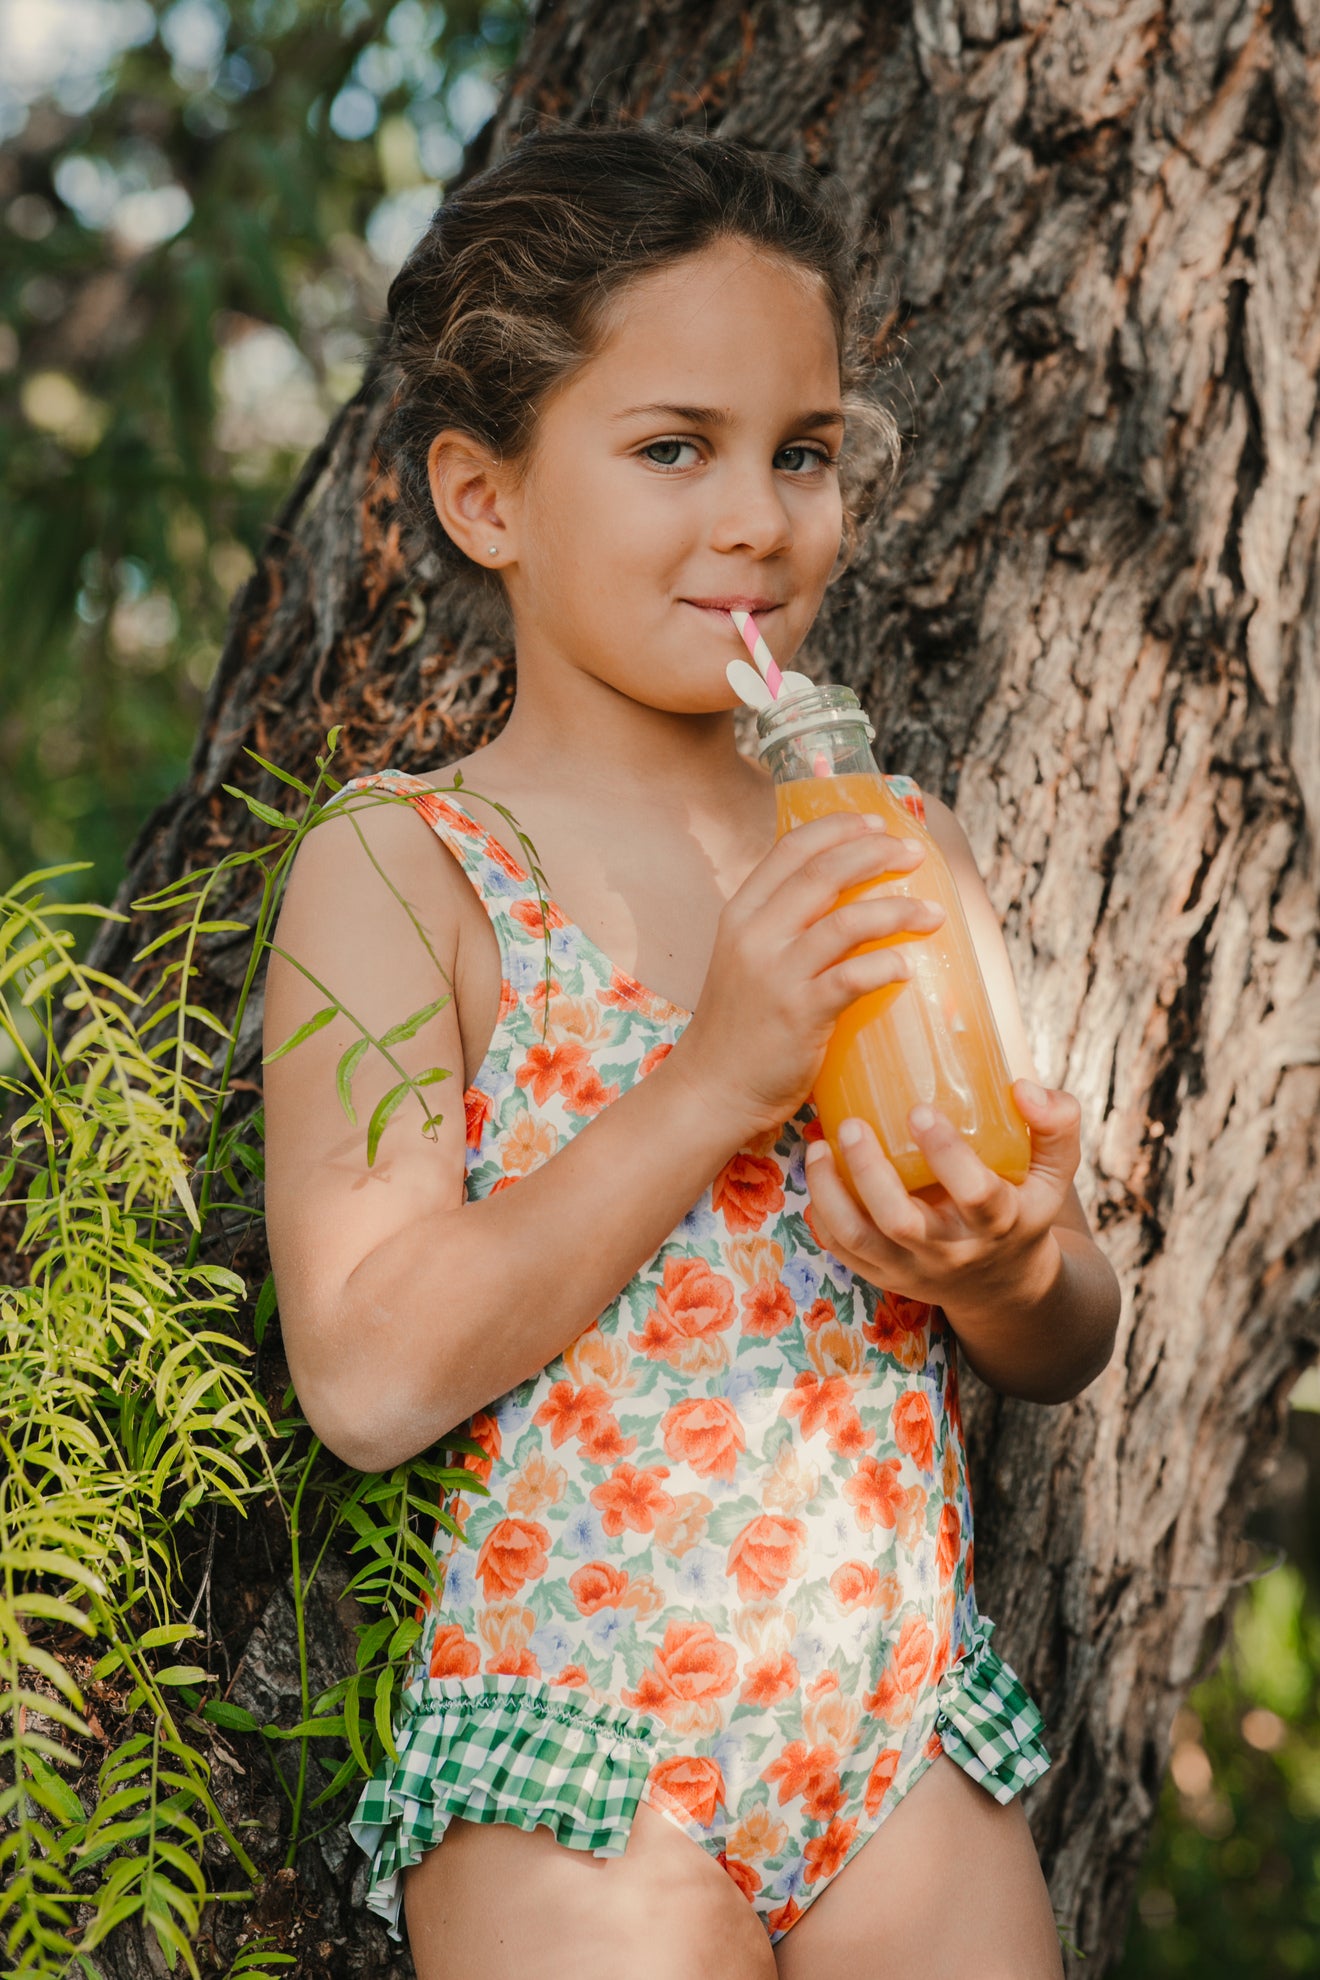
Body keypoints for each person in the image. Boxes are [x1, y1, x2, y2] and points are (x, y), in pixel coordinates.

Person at [262, 124, 1120, 1980]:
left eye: (801, 454)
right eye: (675, 451)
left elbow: (1064, 1336)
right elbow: (370, 1371)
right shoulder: (407, 868)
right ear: (486, 501)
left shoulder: (888, 841)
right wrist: (721, 1075)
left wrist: (1011, 1263)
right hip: (578, 1761)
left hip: (897, 1736)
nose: (760, 518)